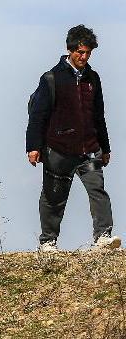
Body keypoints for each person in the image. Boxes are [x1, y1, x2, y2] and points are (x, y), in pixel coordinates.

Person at [27, 25, 119, 251]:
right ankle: (48, 241)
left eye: (88, 52)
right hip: (58, 150)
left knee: (98, 191)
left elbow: (99, 116)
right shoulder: (51, 78)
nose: (84, 57)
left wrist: (105, 147)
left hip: (89, 149)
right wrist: (33, 147)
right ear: (70, 50)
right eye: (80, 52)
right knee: (53, 198)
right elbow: (38, 115)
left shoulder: (93, 79)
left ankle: (103, 237)